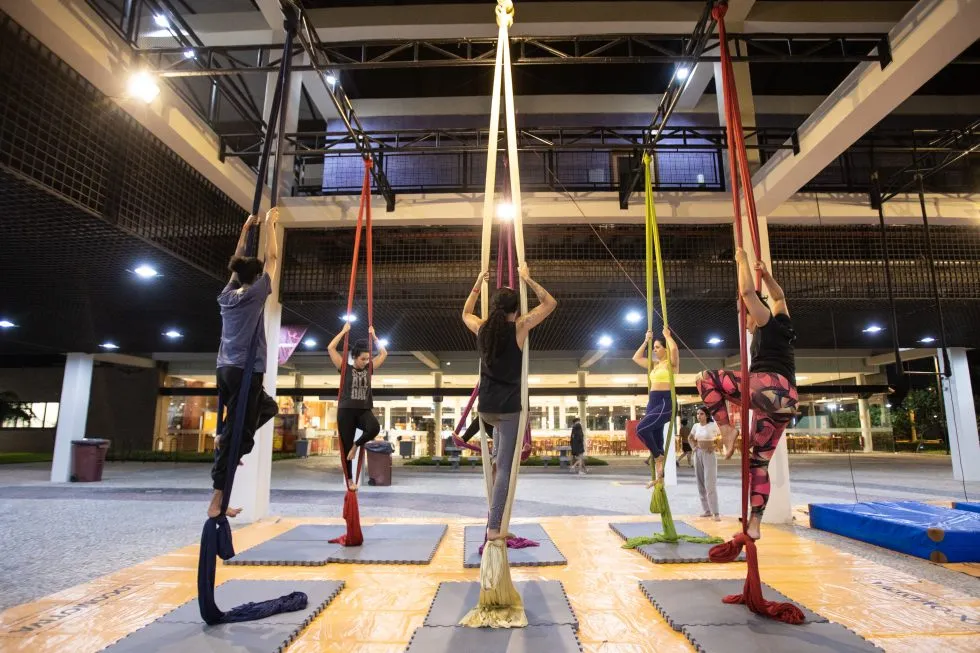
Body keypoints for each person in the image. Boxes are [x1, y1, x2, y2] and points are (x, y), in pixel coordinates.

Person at [696, 249, 798, 540]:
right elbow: (779, 297)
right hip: (786, 400)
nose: (744, 321)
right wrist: (766, 275)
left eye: (744, 315)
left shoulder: (766, 323)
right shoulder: (783, 324)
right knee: (759, 462)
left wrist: (742, 260)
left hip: (769, 386)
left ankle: (726, 429)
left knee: (705, 379)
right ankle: (755, 523)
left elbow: (747, 292)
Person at [462, 263, 557, 542]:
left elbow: (465, 313)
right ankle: (494, 528)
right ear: (515, 310)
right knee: (504, 469)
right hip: (508, 410)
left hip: (486, 408)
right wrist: (527, 279)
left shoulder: (482, 328)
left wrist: (477, 283)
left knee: (496, 464)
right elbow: (550, 303)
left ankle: (496, 521)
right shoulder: (520, 327)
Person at [209, 209, 281, 519]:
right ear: (256, 277)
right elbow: (273, 258)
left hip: (225, 369)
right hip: (245, 371)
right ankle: (216, 501)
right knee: (241, 438)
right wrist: (270, 225)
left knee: (268, 407)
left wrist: (246, 229)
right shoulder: (255, 295)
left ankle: (229, 438)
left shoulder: (227, 296)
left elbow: (237, 262)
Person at [328, 323, 388, 489]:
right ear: (354, 357)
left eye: (368, 359)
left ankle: (357, 445)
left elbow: (383, 353)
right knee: (345, 446)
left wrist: (374, 337)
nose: (366, 361)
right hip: (346, 411)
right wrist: (343, 331)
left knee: (374, 428)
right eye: (363, 359)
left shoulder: (369, 369)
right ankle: (349, 480)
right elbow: (331, 348)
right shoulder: (344, 368)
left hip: (363, 410)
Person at [631, 327, 679, 488]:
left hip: (665, 402)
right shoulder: (655, 364)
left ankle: (658, 456)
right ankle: (660, 479)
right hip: (653, 402)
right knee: (657, 440)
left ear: (665, 348)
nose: (655, 350)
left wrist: (668, 336)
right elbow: (636, 358)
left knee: (641, 429)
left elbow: (674, 350)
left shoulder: (671, 364)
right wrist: (646, 341)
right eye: (654, 347)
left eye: (657, 347)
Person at [688, 406, 721, 520]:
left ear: (707, 415)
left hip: (709, 454)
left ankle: (716, 512)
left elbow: (721, 438)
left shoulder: (713, 425)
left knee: (710, 484)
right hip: (698, 454)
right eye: (697, 414)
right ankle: (707, 510)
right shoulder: (695, 426)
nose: (699, 416)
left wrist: (715, 446)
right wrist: (693, 447)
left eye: (701, 414)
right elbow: (690, 438)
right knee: (700, 483)